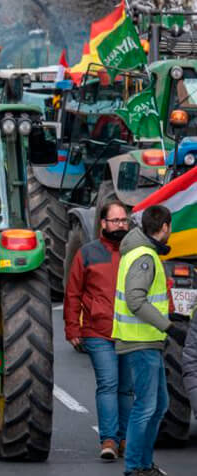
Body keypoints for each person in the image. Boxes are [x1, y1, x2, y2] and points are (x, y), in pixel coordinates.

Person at [113, 204, 189, 476]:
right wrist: (169, 326)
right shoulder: (144, 256)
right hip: (141, 341)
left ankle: (144, 464)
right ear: (165, 227)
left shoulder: (143, 252)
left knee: (159, 406)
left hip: (148, 341)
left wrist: (170, 317)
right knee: (146, 407)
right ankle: (135, 467)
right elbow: (135, 300)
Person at [64, 200, 134, 460]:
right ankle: (109, 441)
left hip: (129, 332)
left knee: (126, 389)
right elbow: (73, 294)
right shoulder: (88, 253)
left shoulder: (134, 253)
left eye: (124, 220)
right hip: (98, 332)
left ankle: (126, 439)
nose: (120, 225)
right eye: (115, 221)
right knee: (108, 384)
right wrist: (73, 329)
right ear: (103, 224)